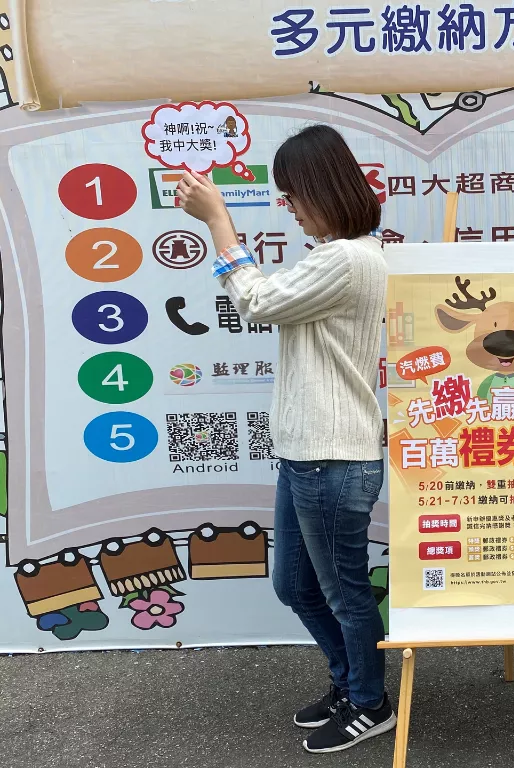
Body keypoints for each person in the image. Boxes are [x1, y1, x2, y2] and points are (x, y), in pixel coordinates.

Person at [175, 124, 393, 755]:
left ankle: (369, 702)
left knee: (343, 592)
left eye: (292, 193)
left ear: (322, 189)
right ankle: (352, 683)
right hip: (311, 453)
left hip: (332, 455)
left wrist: (217, 221)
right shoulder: (341, 255)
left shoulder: (348, 259)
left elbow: (257, 301)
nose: (287, 206)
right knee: (296, 586)